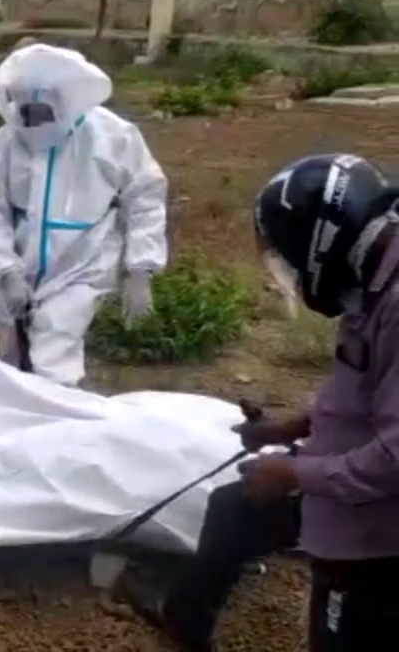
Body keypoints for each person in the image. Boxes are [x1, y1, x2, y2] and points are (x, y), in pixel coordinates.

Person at [119, 153, 399, 651]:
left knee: (341, 630)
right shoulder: (371, 279)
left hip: (379, 535)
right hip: (349, 480)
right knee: (235, 507)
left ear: (321, 244)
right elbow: (370, 394)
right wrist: (285, 431)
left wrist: (292, 475)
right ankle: (185, 619)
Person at [0, 44, 168, 386]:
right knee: (14, 362)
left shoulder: (112, 138)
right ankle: (23, 432)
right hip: (18, 265)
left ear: (63, 105)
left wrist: (140, 269)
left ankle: (58, 429)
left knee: (52, 356)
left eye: (42, 113)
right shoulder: (0, 146)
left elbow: (145, 198)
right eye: (26, 114)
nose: (34, 123)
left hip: (82, 262)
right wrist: (6, 270)